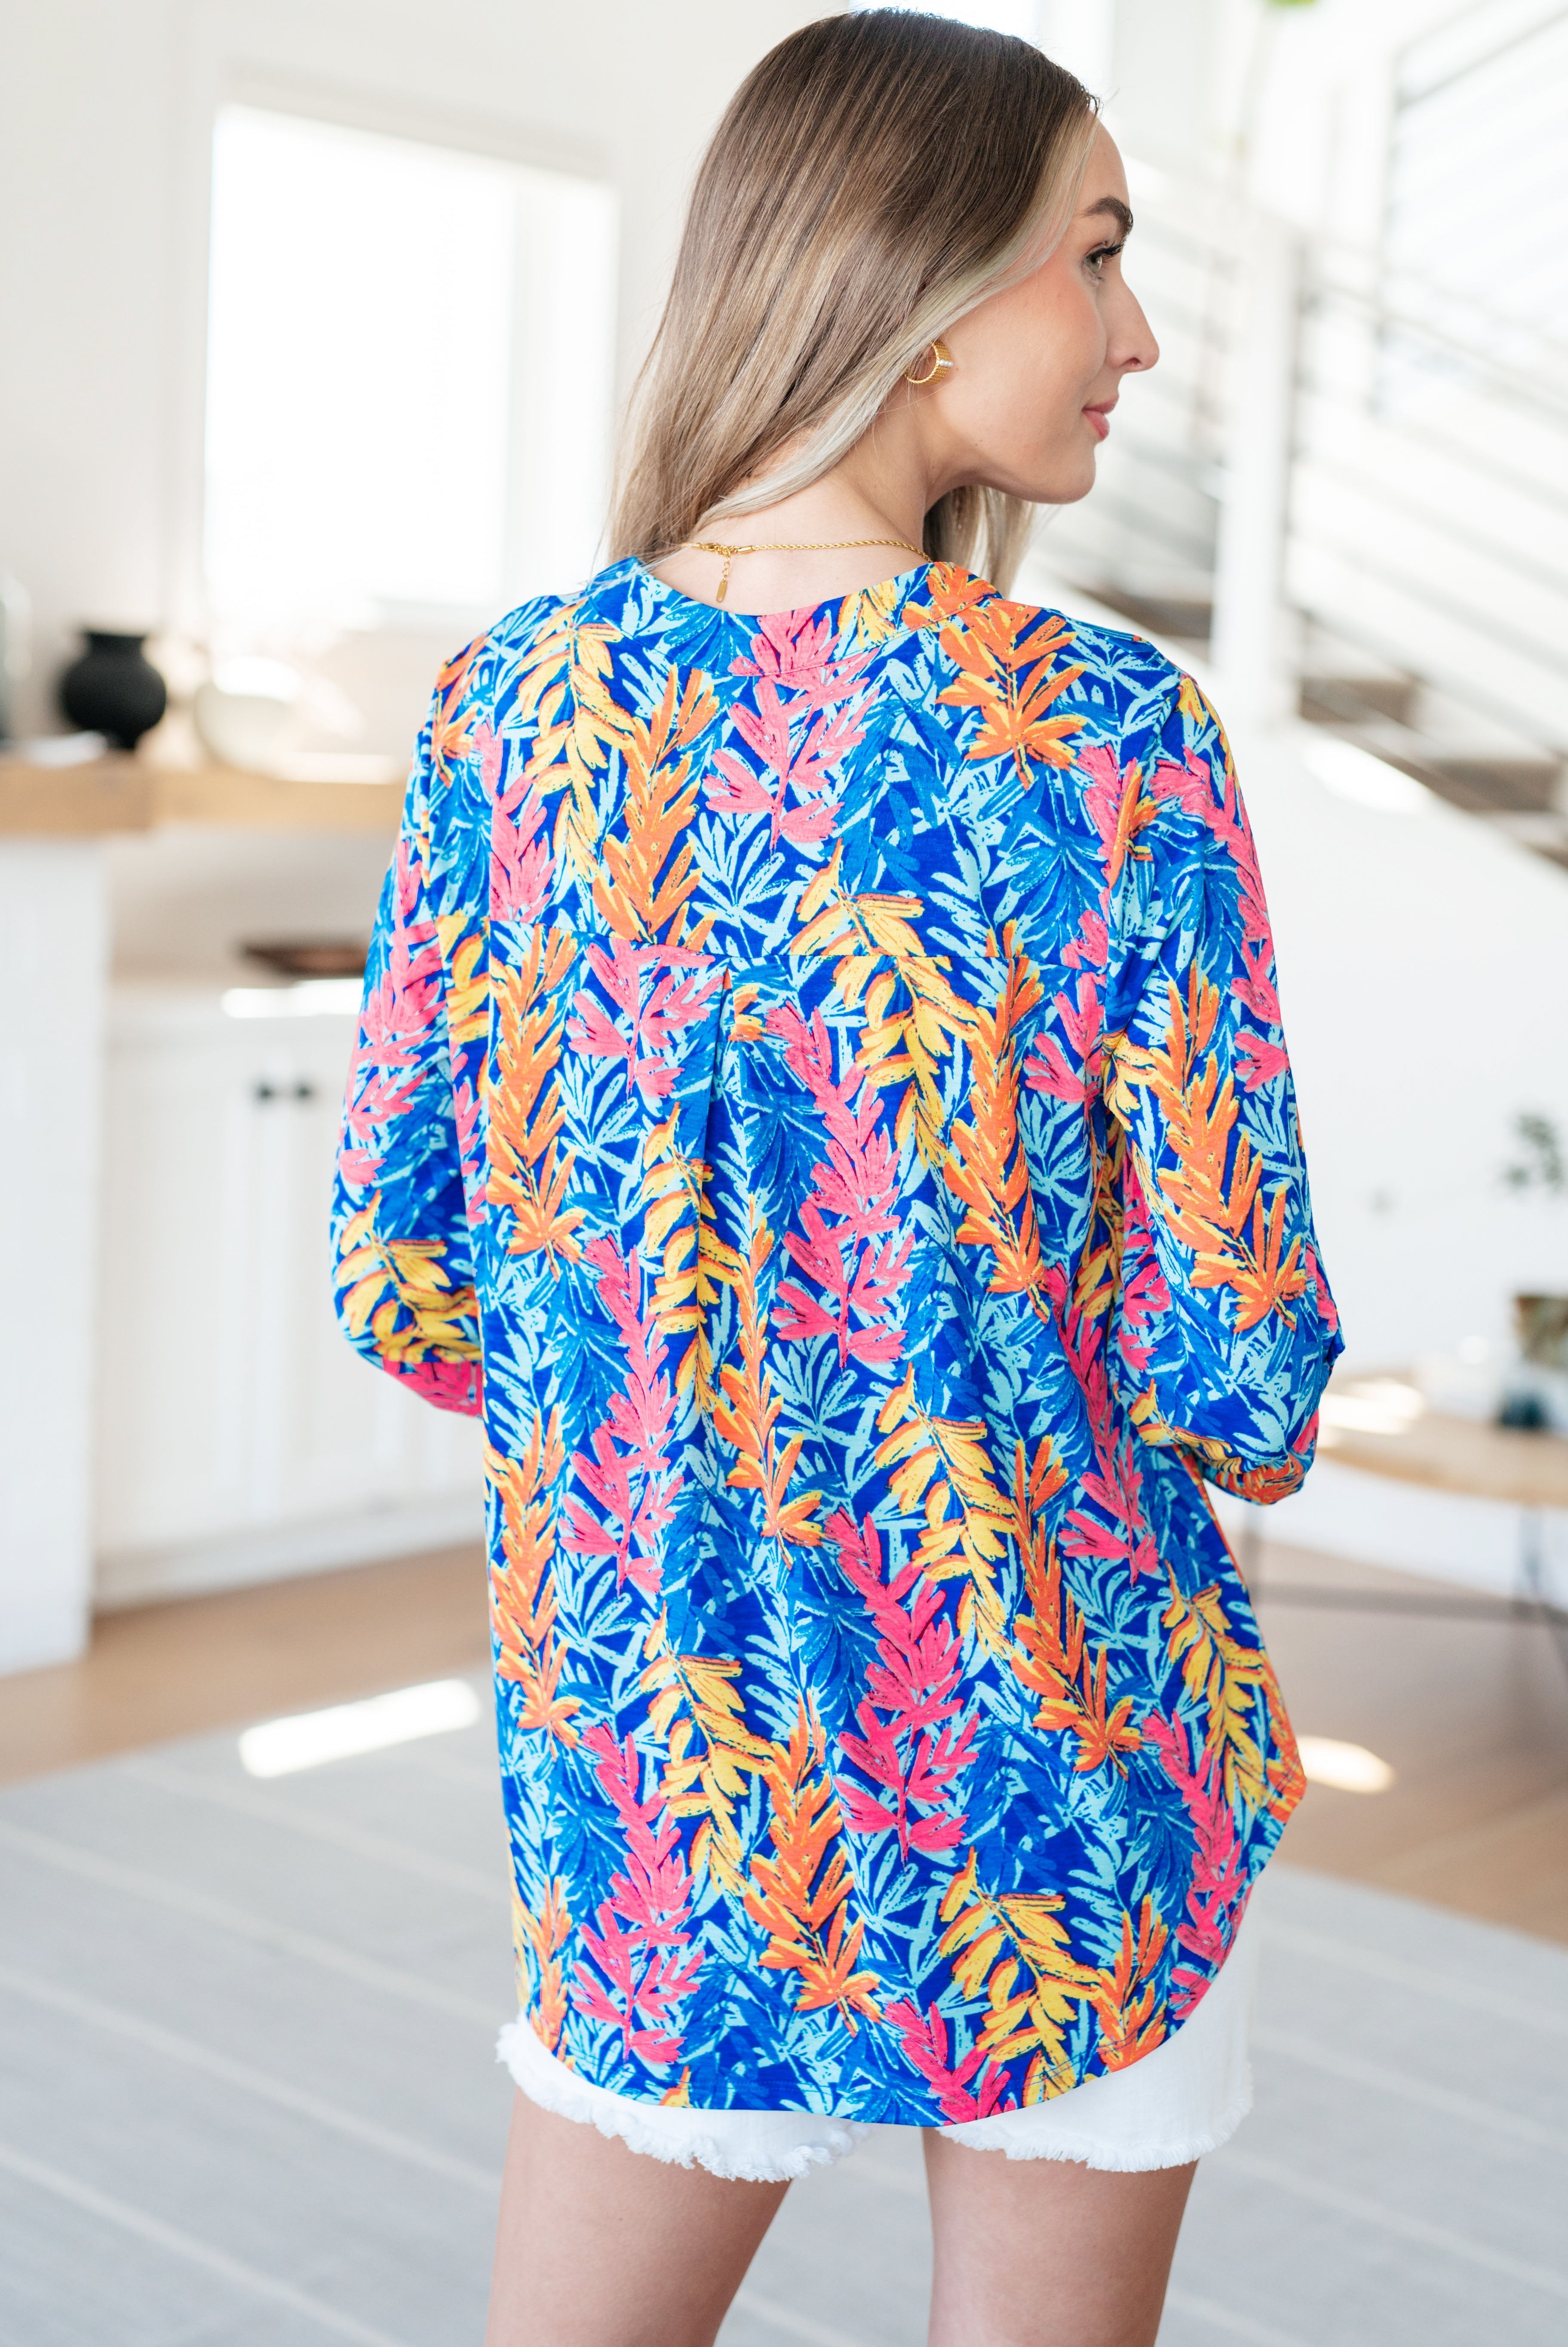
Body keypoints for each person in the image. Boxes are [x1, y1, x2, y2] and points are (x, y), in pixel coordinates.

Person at [330, 12, 1342, 2344]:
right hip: (1057, 1775)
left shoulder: (505, 710)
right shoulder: (1107, 736)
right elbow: (1242, 1364)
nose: (1140, 336)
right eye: (1100, 255)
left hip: (666, 1770)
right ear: (926, 280)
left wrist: (686, 1404)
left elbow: (410, 1282)